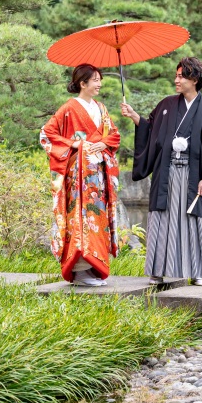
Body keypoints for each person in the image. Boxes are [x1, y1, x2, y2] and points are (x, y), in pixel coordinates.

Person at [120, 57, 202, 286]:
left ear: (195, 79)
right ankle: (157, 271)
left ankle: (198, 272)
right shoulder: (167, 105)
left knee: (193, 219)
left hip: (193, 175)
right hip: (166, 172)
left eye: (181, 76)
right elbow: (151, 129)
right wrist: (134, 116)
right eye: (177, 75)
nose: (176, 80)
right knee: (162, 218)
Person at [40, 63, 122, 286]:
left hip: (98, 174)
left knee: (97, 218)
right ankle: (79, 270)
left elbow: (114, 135)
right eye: (95, 80)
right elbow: (47, 134)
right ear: (82, 83)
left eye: (99, 79)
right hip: (78, 177)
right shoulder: (69, 108)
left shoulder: (101, 108)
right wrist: (76, 144)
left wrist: (102, 143)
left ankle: (94, 267)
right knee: (81, 218)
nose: (99, 84)